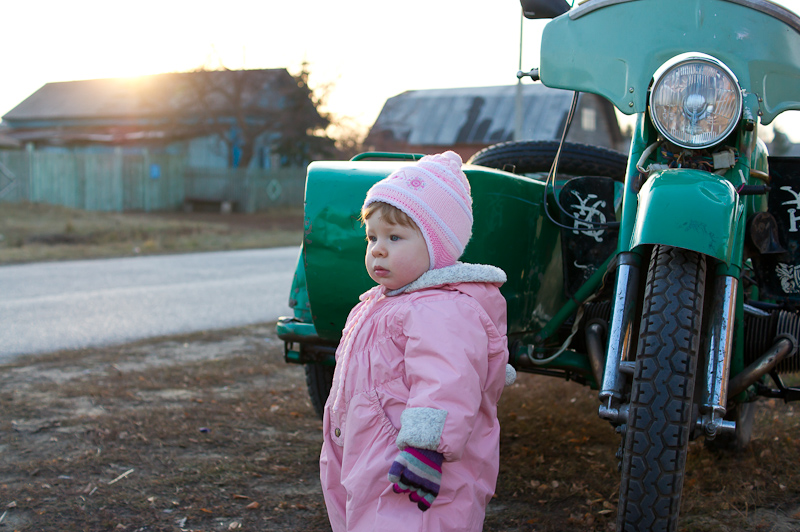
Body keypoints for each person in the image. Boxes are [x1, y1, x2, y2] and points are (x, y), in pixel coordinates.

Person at [319, 151, 514, 532]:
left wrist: (426, 448)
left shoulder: (442, 309)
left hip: (415, 464)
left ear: (436, 247)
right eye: (372, 236)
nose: (377, 248)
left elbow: (448, 381)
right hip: (370, 451)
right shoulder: (382, 303)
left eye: (395, 237)